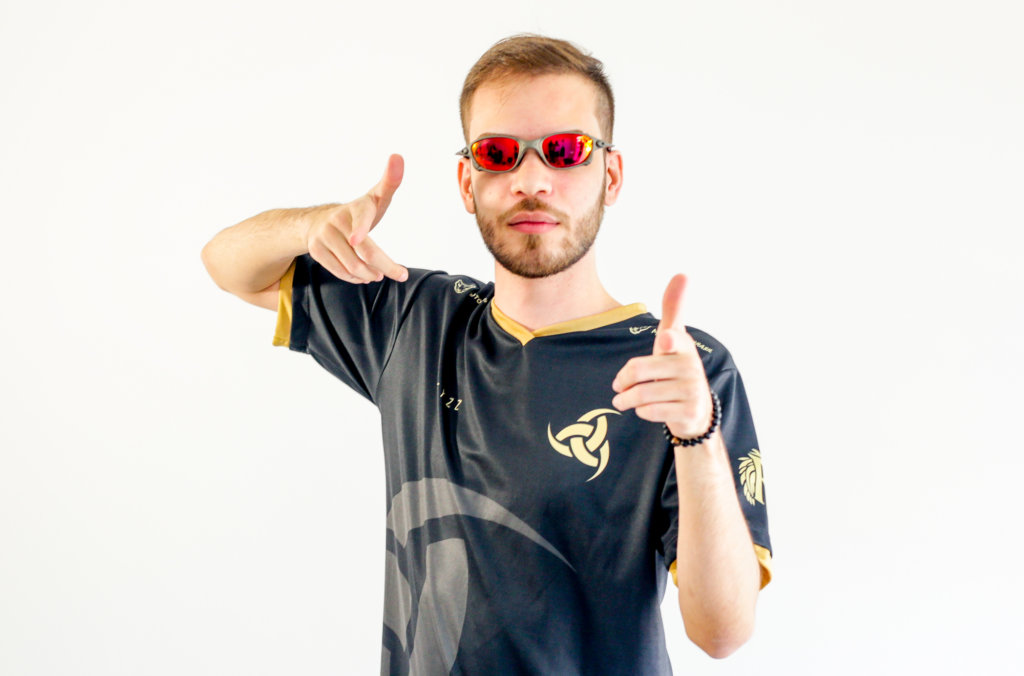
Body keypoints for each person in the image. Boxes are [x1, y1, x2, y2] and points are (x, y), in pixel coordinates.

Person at [202, 34, 772, 675]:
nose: (531, 181)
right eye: (498, 154)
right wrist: (310, 227)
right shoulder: (414, 319)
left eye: (565, 151)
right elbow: (227, 265)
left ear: (609, 175)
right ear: (467, 182)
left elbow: (722, 632)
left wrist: (697, 434)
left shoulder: (683, 373)